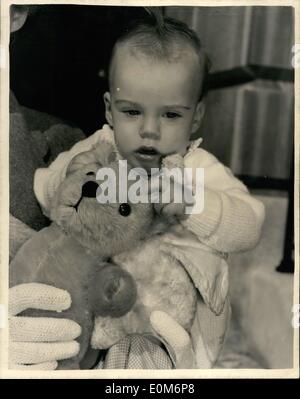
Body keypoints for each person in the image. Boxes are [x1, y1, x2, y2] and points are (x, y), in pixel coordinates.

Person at [9, 12, 265, 370]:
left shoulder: (195, 167)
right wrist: (71, 177)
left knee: (148, 361)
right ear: (110, 111)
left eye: (171, 116)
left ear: (196, 117)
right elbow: (43, 190)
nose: (149, 130)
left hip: (169, 324)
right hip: (103, 305)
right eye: (132, 112)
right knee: (67, 339)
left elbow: (249, 226)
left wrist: (196, 204)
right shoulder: (98, 147)